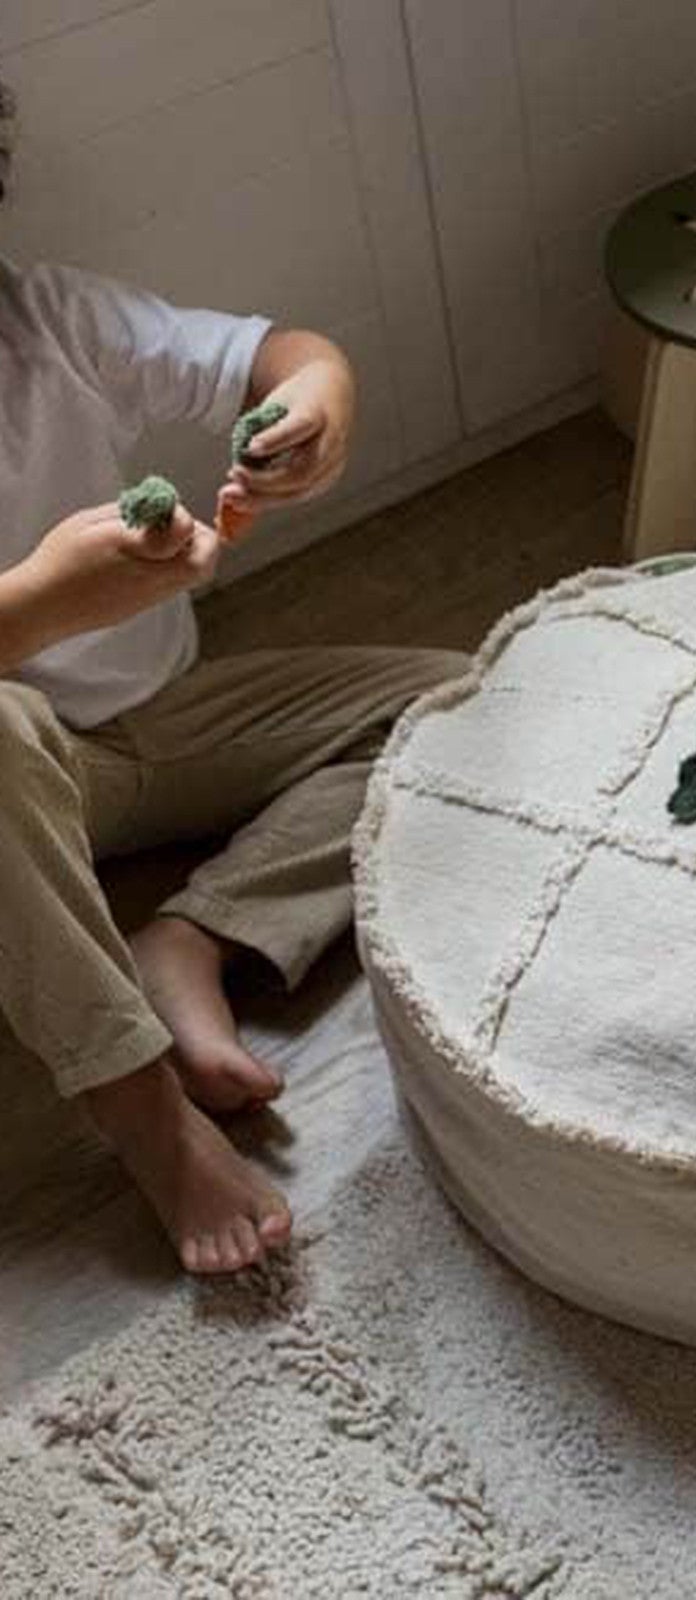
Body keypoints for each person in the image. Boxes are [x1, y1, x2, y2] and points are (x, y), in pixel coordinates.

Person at [0, 81, 465, 1274]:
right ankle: (144, 1113)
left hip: (167, 717)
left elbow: (286, 354)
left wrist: (314, 412)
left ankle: (197, 938)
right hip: (24, 768)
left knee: (464, 696)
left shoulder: (45, 319)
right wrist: (46, 601)